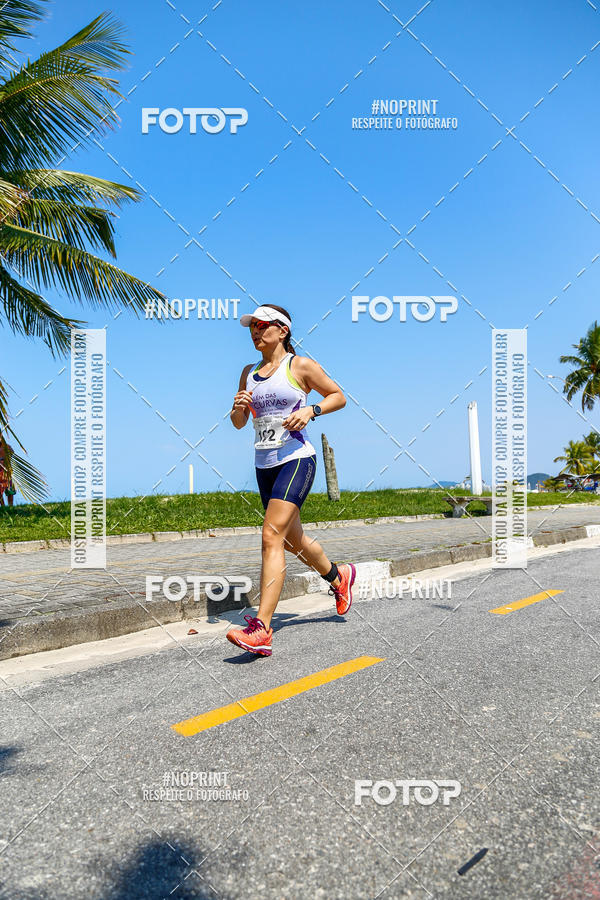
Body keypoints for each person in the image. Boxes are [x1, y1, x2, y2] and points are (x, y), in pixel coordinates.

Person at [226, 304, 356, 656]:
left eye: (262, 325)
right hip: (264, 463)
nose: (255, 331)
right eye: (251, 327)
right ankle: (338, 577)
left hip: (297, 459)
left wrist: (310, 411)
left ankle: (261, 629)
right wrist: (239, 406)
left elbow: (338, 396)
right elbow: (239, 423)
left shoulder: (299, 366)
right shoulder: (248, 372)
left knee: (271, 535)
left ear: (282, 330)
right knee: (290, 540)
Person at [0, 434, 15, 507]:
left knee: (10, 491)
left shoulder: (6, 447)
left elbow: (12, 452)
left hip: (6, 472)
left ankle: (10, 506)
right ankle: (3, 507)